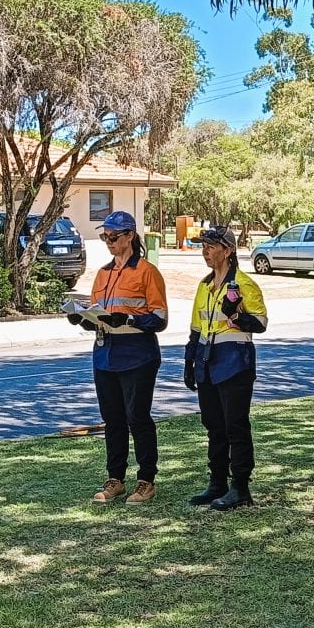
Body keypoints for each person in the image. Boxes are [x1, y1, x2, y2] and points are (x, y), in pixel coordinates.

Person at [68, 211, 168, 504]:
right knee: (112, 420)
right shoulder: (103, 273)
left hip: (138, 355)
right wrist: (82, 318)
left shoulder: (147, 272)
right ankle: (115, 479)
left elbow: (159, 319)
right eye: (104, 237)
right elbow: (99, 315)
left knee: (137, 418)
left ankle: (146, 480)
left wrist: (131, 320)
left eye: (113, 236)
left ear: (129, 237)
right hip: (105, 354)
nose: (108, 242)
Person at [183, 225, 267, 510]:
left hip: (235, 362)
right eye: (203, 245)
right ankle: (217, 483)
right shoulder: (205, 286)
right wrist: (189, 360)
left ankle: (240, 487)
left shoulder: (243, 284)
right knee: (214, 426)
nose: (205, 251)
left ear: (228, 251)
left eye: (211, 246)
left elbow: (261, 324)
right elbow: (196, 328)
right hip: (207, 361)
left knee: (236, 427)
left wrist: (238, 316)